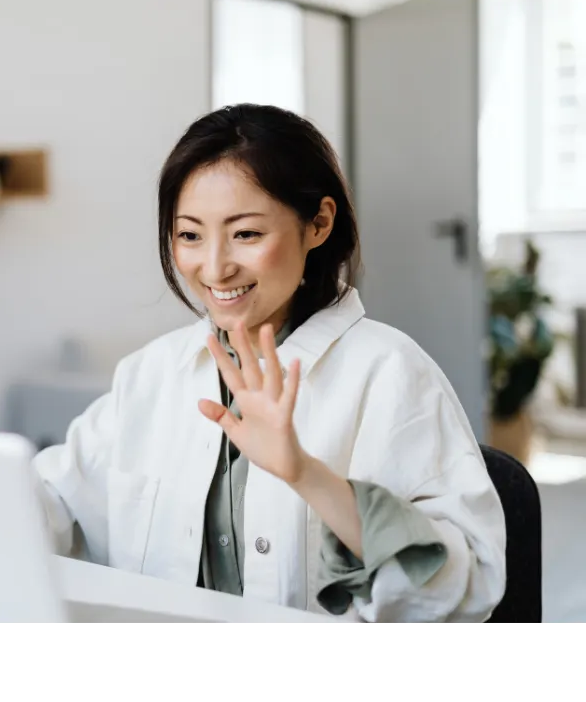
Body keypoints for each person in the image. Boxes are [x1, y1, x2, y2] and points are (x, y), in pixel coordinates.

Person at [33, 103, 506, 625]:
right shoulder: (150, 374)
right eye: (190, 235)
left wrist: (304, 474)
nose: (213, 267)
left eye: (247, 234)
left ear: (319, 224)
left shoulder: (389, 371)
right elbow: (52, 500)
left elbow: (465, 588)